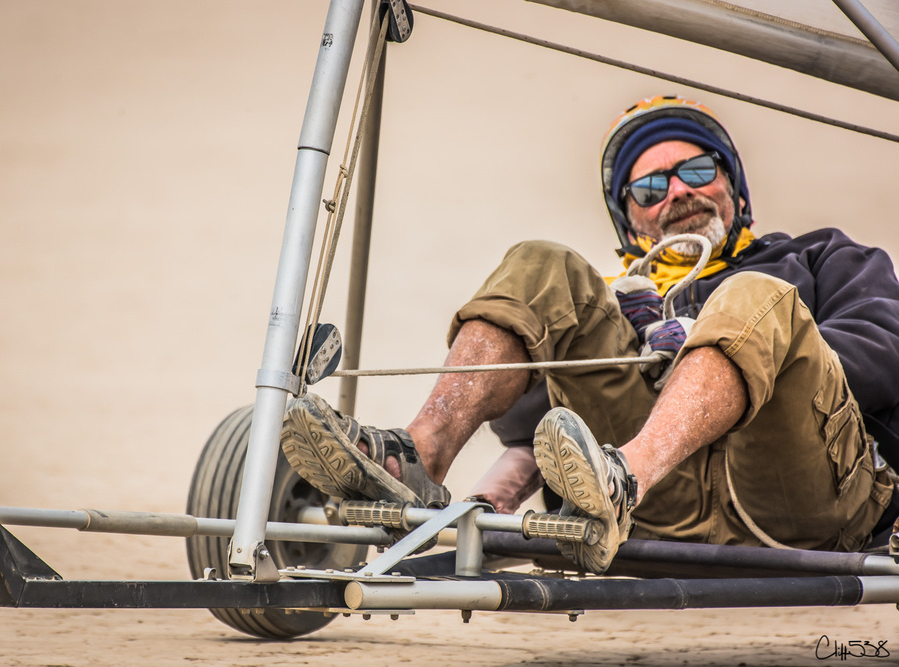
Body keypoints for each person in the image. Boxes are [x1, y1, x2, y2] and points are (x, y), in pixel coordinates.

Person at [280, 95, 899, 574]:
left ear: (734, 186)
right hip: (654, 508)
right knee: (542, 262)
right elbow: (531, 431)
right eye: (651, 188)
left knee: (754, 298)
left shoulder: (816, 258)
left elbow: (884, 347)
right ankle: (415, 458)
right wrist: (487, 510)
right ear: (631, 220)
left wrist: (720, 343)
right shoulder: (614, 303)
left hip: (804, 492)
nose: (677, 192)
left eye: (696, 169)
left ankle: (623, 473)